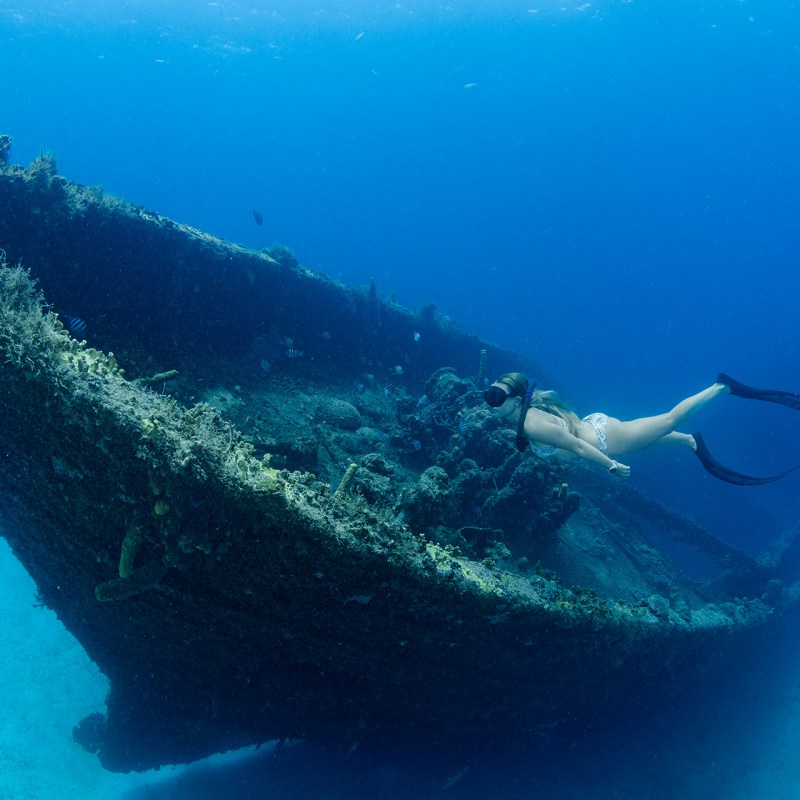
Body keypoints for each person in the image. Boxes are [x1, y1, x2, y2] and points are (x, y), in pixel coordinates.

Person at [484, 372, 800, 484]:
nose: (491, 401)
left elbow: (578, 447)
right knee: (647, 436)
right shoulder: (521, 415)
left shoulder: (531, 423)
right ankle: (689, 441)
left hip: (605, 441)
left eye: (497, 396)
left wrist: (611, 466)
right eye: (490, 393)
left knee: (668, 420)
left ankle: (721, 388)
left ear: (514, 399)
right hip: (598, 425)